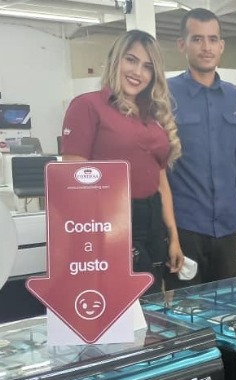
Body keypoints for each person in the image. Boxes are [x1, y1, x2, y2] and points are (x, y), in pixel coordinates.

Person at [61, 29, 184, 294]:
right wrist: (98, 237)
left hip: (153, 221)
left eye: (147, 67)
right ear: (116, 59)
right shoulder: (88, 106)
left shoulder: (153, 116)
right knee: (123, 302)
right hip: (110, 221)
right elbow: (73, 184)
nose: (138, 72)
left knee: (152, 302)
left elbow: (161, 180)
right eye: (131, 60)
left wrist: (173, 235)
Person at [166, 8, 236, 288]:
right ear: (182, 44)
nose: (206, 47)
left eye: (212, 39)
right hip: (186, 226)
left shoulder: (234, 97)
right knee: (187, 307)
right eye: (197, 39)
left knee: (228, 304)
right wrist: (169, 233)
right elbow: (159, 167)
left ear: (221, 46)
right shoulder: (166, 94)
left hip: (229, 226)